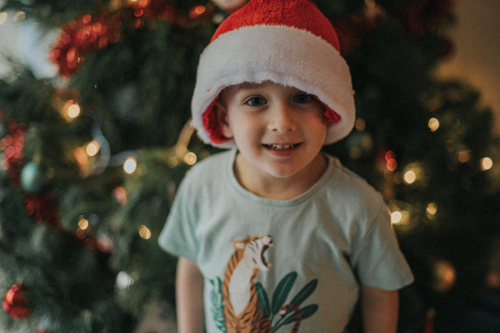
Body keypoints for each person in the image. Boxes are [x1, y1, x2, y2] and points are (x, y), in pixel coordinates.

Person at [158, 0, 414, 332]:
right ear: (223, 120)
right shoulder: (200, 186)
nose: (282, 122)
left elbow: (380, 292)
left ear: (329, 107)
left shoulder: (359, 207)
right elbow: (191, 269)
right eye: (255, 101)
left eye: (303, 97)